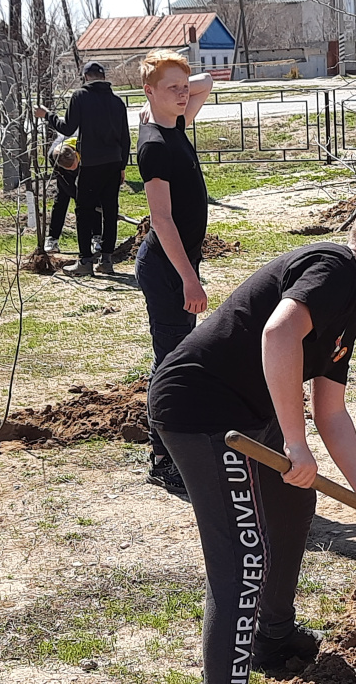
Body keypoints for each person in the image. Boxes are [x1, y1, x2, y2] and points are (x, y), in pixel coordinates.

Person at [148, 198, 356, 682]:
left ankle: (272, 637)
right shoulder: (334, 267)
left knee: (294, 505)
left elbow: (331, 411)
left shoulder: (348, 312)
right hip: (203, 411)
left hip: (249, 411)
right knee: (242, 563)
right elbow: (278, 334)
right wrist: (295, 444)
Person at [134, 50, 213, 493]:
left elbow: (206, 85)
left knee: (176, 358)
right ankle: (162, 459)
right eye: (172, 89)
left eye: (184, 88)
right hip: (167, 269)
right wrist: (189, 277)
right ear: (149, 93)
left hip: (179, 265)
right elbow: (160, 219)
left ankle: (173, 449)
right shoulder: (154, 146)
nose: (184, 94)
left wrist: (175, 78)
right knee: (171, 364)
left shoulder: (173, 122)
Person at [34, 61, 129, 276]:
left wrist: (47, 115)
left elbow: (67, 128)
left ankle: (85, 260)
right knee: (110, 211)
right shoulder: (117, 102)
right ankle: (106, 260)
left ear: (86, 77)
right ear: (104, 77)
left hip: (91, 164)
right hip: (114, 162)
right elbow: (125, 137)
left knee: (84, 210)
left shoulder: (80, 97)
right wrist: (122, 166)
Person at [42, 135, 100, 254]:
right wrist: (79, 198)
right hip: (64, 171)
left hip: (86, 165)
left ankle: (97, 237)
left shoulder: (87, 148)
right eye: (70, 168)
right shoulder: (53, 157)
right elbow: (67, 185)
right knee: (62, 198)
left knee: (93, 198)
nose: (72, 170)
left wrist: (87, 197)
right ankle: (52, 238)